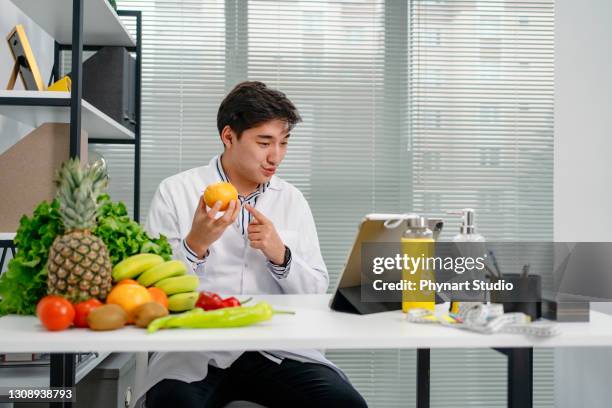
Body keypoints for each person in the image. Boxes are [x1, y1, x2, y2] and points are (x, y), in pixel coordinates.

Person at [140, 81, 368, 408]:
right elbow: (152, 289)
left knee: (344, 405)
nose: (275, 156)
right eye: (264, 142)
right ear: (229, 136)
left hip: (275, 347)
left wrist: (281, 255)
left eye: (283, 143)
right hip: (195, 347)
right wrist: (196, 245)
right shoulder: (176, 192)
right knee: (174, 403)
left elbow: (317, 288)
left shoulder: (291, 199)